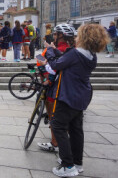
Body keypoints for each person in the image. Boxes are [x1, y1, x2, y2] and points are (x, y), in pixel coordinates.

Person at [39, 24, 109, 177]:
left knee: (58, 125)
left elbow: (57, 64)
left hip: (69, 95)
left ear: (84, 37)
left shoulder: (76, 54)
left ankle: (67, 165)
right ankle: (77, 162)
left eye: (78, 35)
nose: (76, 37)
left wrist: (50, 50)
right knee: (76, 129)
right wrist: (56, 50)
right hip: (82, 95)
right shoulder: (90, 55)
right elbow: (66, 58)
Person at [37, 24, 75, 153]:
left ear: (61, 36)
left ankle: (55, 142)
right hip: (62, 86)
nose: (53, 36)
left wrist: (49, 53)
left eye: (55, 34)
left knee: (54, 116)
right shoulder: (66, 48)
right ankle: (57, 141)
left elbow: (55, 67)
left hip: (57, 86)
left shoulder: (63, 48)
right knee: (56, 117)